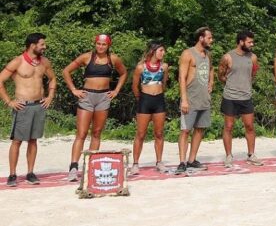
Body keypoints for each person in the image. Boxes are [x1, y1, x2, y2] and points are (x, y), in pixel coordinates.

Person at [62, 33, 128, 182]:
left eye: (104, 44)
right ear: (95, 43)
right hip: (87, 96)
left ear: (108, 45)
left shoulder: (113, 59)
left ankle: (91, 164)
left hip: (103, 97)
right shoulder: (87, 57)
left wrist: (116, 90)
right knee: (81, 133)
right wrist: (74, 90)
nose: (101, 46)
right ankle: (73, 167)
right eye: (98, 43)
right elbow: (66, 71)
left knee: (97, 132)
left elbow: (124, 73)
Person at [0, 33, 56, 186]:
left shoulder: (44, 62)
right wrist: (9, 101)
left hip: (39, 105)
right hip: (22, 106)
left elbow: (52, 78)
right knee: (17, 141)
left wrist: (50, 96)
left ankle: (30, 173)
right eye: (42, 44)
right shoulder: (17, 62)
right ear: (33, 45)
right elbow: (0, 80)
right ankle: (12, 174)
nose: (44, 47)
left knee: (33, 140)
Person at [219, 30, 264, 168]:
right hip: (230, 97)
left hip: (246, 97)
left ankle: (251, 155)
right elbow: (221, 75)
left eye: (252, 42)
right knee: (228, 126)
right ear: (241, 42)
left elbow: (253, 74)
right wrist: (231, 84)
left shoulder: (253, 57)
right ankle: (228, 156)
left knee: (250, 126)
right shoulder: (227, 57)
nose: (252, 44)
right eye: (249, 42)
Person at [176, 27, 215, 174]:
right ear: (201, 38)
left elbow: (211, 69)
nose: (211, 40)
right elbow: (182, 77)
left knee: (200, 129)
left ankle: (192, 160)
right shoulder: (188, 54)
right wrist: (184, 100)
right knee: (186, 130)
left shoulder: (208, 55)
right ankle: (182, 162)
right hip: (191, 98)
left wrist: (211, 82)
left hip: (204, 99)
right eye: (209, 38)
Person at [130, 41, 169, 175]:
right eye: (161, 50)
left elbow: (164, 83)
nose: (163, 53)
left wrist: (159, 93)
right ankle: (135, 163)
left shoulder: (164, 67)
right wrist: (140, 98)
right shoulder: (140, 67)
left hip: (159, 101)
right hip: (145, 101)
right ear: (153, 51)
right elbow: (134, 86)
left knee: (159, 133)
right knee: (141, 134)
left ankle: (159, 162)